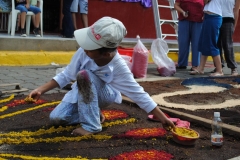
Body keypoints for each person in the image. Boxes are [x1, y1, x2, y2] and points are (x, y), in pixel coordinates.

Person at [28, 17, 175, 136]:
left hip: (105, 94)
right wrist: (40, 90)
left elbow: (138, 94)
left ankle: (91, 126)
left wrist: (163, 118)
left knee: (84, 74)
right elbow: (67, 74)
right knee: (57, 118)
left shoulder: (119, 67)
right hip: (83, 91)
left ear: (106, 53)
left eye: (90, 48)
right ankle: (94, 115)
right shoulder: (84, 51)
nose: (84, 49)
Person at [190, 0, 224, 76]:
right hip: (208, 17)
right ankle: (201, 68)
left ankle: (219, 70)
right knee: (203, 43)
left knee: (212, 44)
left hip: (214, 17)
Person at [212, 0, 240, 76]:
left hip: (228, 20)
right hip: (216, 18)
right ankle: (219, 67)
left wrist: (234, 25)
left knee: (227, 44)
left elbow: (236, 10)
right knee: (217, 44)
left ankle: (233, 67)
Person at [174, 0, 204, 71]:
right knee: (183, 42)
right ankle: (182, 63)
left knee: (196, 43)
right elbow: (176, 5)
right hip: (184, 20)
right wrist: (182, 12)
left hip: (198, 21)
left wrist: (205, 15)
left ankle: (196, 65)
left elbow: (207, 6)